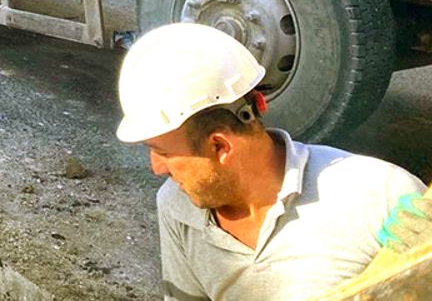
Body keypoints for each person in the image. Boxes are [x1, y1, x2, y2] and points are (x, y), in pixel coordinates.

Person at [115, 23, 427, 301]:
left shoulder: (378, 196)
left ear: (220, 146)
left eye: (164, 152)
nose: (156, 168)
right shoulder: (176, 205)